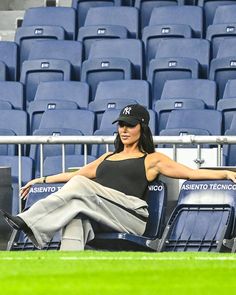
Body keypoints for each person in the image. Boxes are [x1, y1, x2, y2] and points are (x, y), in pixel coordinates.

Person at [1, 104, 236, 250]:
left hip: (132, 215)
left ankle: (28, 221)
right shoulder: (107, 157)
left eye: (130, 125)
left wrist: (226, 172)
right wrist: (40, 180)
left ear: (141, 128)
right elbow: (74, 175)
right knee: (76, 216)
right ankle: (67, 274)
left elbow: (191, 173)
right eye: (121, 125)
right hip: (102, 212)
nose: (123, 130)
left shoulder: (151, 159)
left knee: (80, 185)